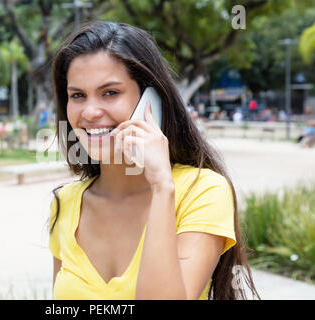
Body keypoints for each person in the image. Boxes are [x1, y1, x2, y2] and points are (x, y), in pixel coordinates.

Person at [48, 21, 260, 300]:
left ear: (151, 101)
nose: (90, 112)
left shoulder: (203, 191)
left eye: (110, 92)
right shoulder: (65, 203)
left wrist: (161, 185)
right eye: (77, 95)